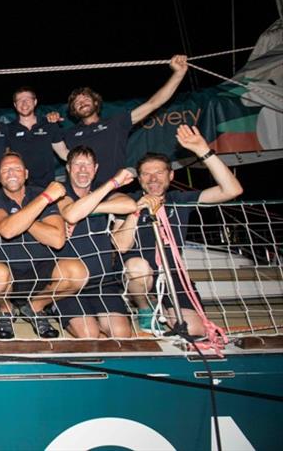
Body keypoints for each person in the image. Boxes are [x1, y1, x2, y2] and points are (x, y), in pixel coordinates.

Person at [112, 124, 243, 336]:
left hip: (172, 274)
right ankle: (144, 307)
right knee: (138, 267)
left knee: (193, 331)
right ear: (139, 179)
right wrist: (135, 212)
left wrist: (203, 151)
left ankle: (165, 306)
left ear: (171, 176)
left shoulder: (180, 200)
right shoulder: (127, 202)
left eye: (159, 172)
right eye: (146, 174)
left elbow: (232, 190)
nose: (153, 178)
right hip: (137, 275)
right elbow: (120, 245)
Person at [0, 154, 88, 339]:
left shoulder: (37, 194)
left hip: (41, 267)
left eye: (16, 168)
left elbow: (57, 239)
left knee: (78, 272)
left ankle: (35, 308)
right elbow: (7, 230)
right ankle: (7, 310)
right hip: (5, 269)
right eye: (5, 170)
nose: (11, 173)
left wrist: (21, 218)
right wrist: (44, 200)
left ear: (26, 174)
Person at [64, 55, 188, 186]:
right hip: (80, 191)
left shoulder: (116, 123)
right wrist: (50, 120)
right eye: (77, 102)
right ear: (73, 110)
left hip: (111, 191)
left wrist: (179, 73)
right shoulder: (68, 134)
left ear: (96, 103)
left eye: (86, 99)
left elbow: (153, 103)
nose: (82, 102)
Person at [54, 147, 137, 338]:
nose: (83, 169)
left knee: (121, 334)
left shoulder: (101, 191)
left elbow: (130, 205)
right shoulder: (60, 192)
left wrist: (88, 207)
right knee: (90, 335)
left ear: (96, 167)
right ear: (68, 168)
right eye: (77, 164)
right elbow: (71, 213)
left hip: (102, 281)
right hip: (69, 284)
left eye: (88, 164)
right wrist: (112, 183)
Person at [7, 87, 68, 187]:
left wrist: (84, 160)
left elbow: (64, 153)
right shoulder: (8, 129)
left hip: (46, 187)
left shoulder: (49, 125)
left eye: (28, 99)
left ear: (35, 102)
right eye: (20, 100)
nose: (24, 103)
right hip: (20, 188)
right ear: (15, 105)